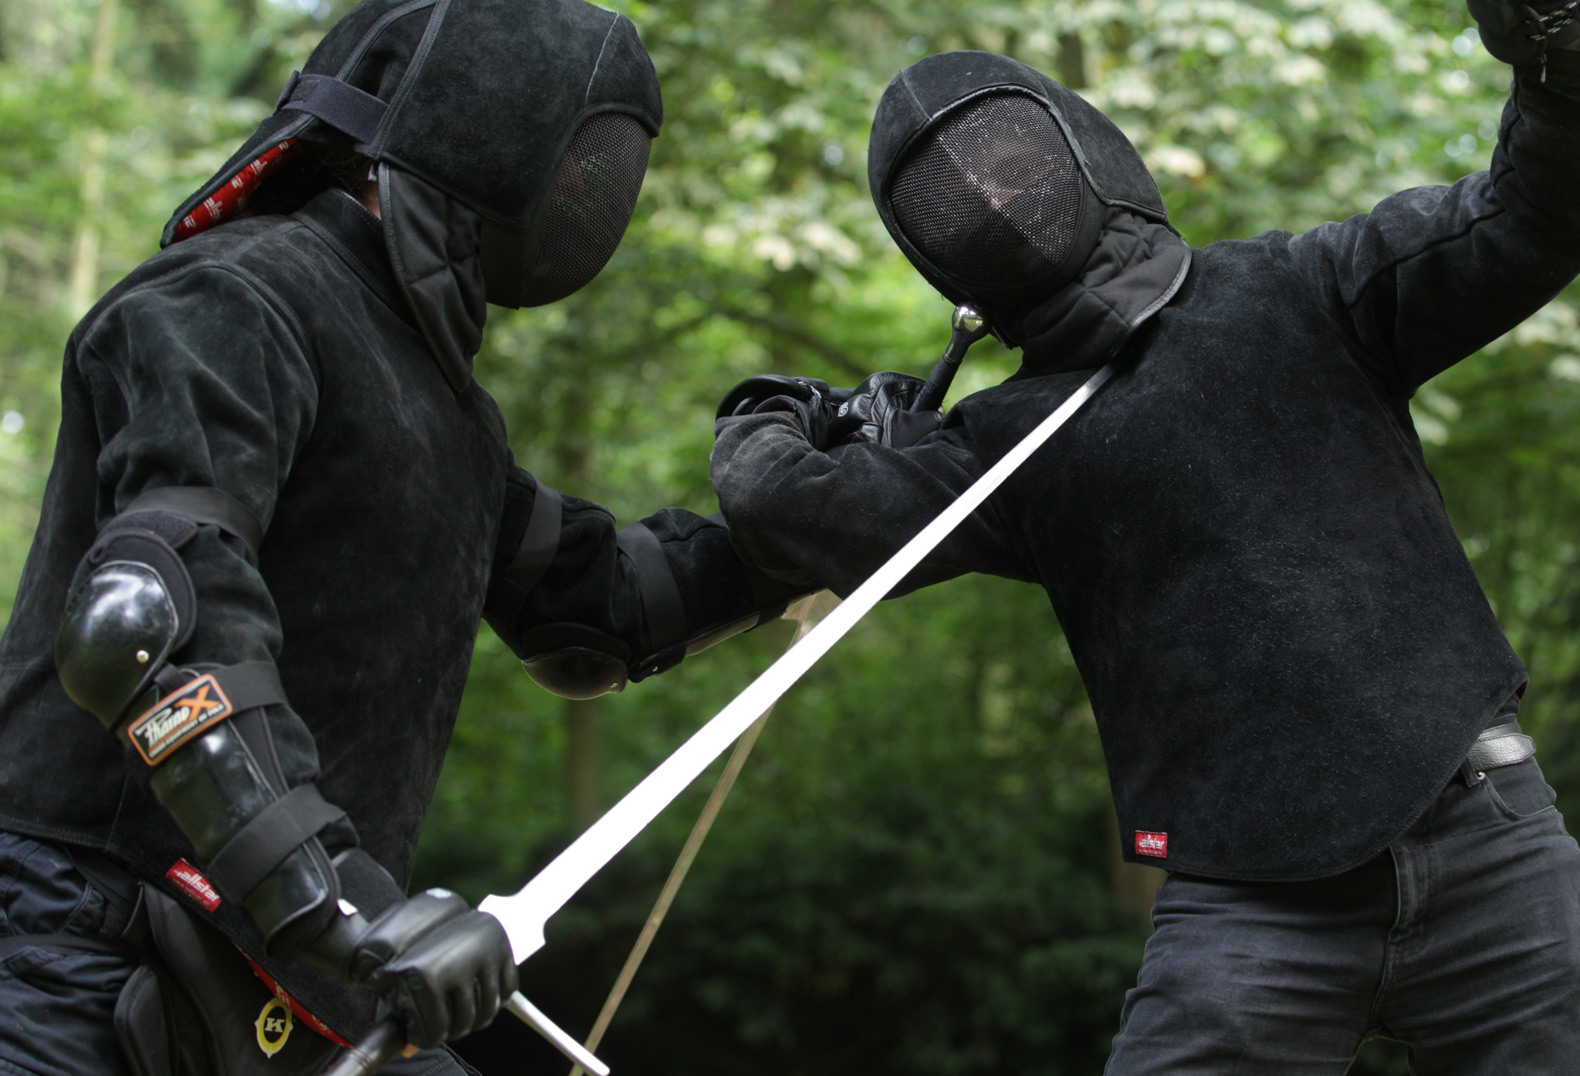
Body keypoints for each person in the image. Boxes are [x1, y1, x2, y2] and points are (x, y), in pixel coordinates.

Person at [709, 4, 1580, 1072]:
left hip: (1485, 839)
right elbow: (782, 507)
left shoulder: (1302, 290)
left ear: (1074, 144)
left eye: (1008, 164)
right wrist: (794, 410)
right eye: (960, 189)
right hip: (1243, 907)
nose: (992, 197)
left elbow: (1527, 214)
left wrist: (1556, 67)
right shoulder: (1003, 439)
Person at [0, 1, 800, 1074]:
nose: (586, 192)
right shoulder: (232, 298)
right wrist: (344, 910)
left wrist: (833, 506)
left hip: (289, 962)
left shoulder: (446, 412)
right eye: (575, 159)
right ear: (480, 126)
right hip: (81, 948)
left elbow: (597, 605)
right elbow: (144, 625)